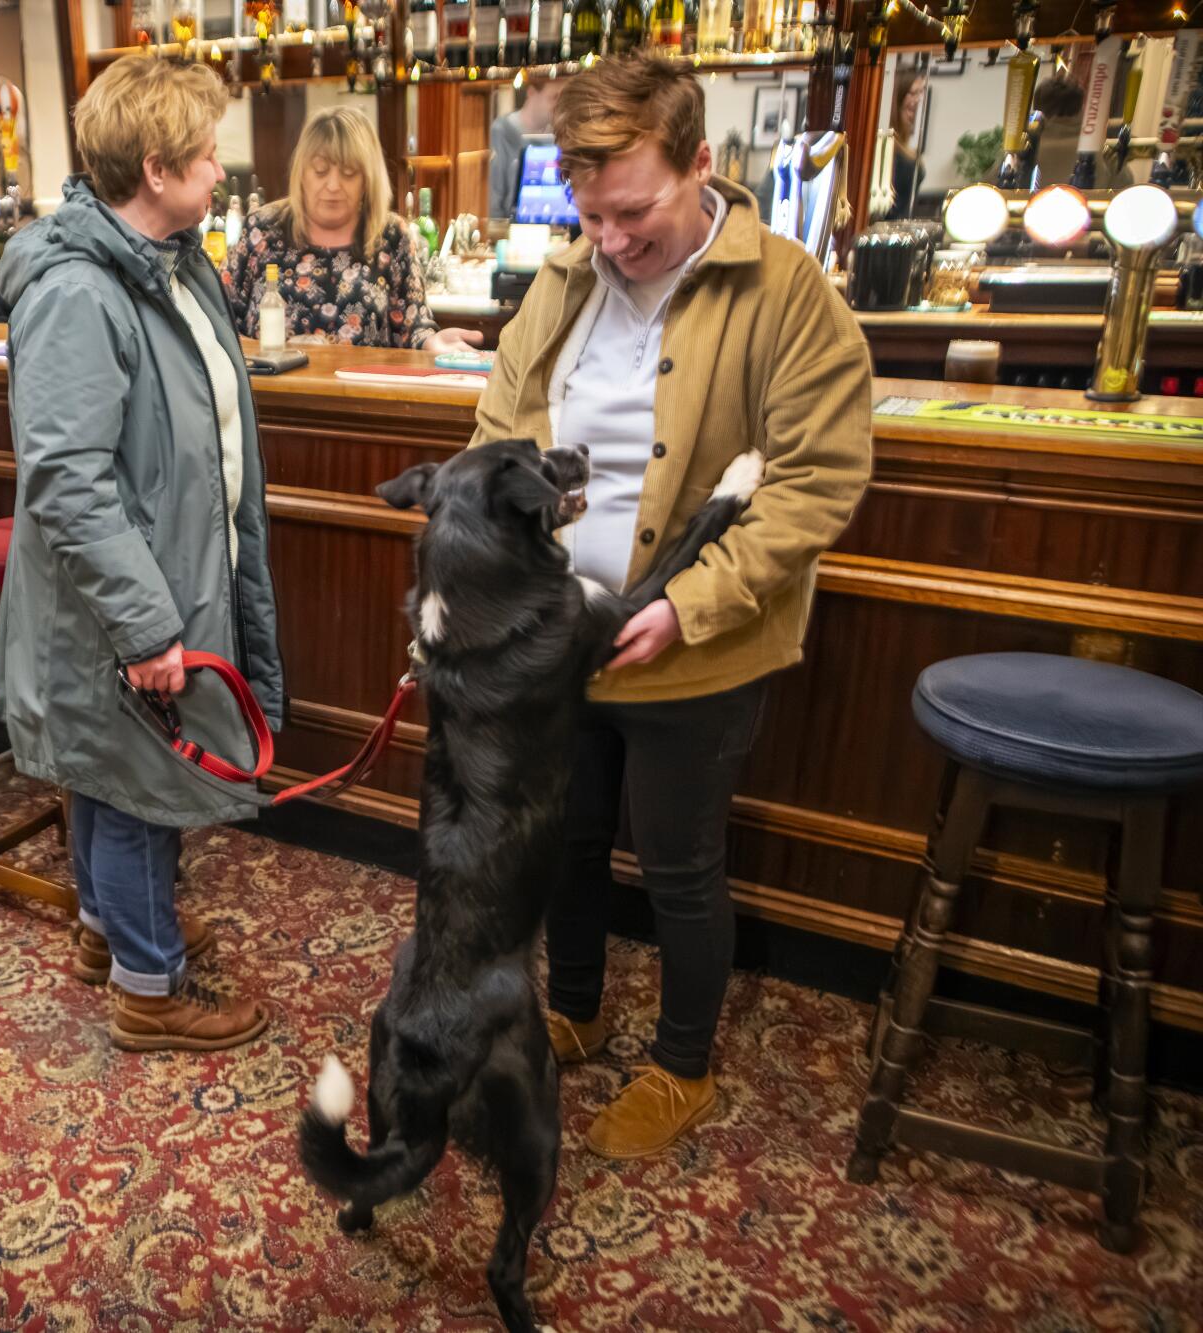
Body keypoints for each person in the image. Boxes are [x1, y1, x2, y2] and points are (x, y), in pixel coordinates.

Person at [469, 54, 872, 1159]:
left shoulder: (787, 290)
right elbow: (495, 438)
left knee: (680, 867)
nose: (611, 240)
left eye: (634, 210)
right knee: (568, 843)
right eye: (591, 215)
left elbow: (815, 480)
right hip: (564, 639)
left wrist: (689, 605)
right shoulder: (561, 281)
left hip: (693, 646)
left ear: (701, 163)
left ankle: (682, 1064)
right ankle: (580, 1010)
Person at [0, 55, 283, 1053]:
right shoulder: (79, 293)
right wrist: (147, 621)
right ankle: (148, 987)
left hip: (162, 569)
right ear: (155, 170)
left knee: (116, 767)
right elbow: (68, 482)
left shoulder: (168, 255)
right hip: (124, 596)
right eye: (207, 155)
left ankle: (106, 928)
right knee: (132, 780)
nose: (220, 170)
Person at [223, 106, 482, 354]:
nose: (333, 185)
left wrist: (430, 342)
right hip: (270, 396)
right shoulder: (262, 228)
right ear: (301, 174)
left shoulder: (391, 235)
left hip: (361, 397)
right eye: (320, 171)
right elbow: (220, 316)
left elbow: (412, 328)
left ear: (368, 181)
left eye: (349, 173)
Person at [490, 77, 563, 219]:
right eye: (554, 97)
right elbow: (493, 203)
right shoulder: (501, 132)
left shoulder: (558, 137)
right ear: (531, 92)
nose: (559, 105)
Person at [889, 64, 927, 216]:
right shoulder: (889, 149)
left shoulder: (906, 148)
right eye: (912, 93)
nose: (917, 100)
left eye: (920, 93)